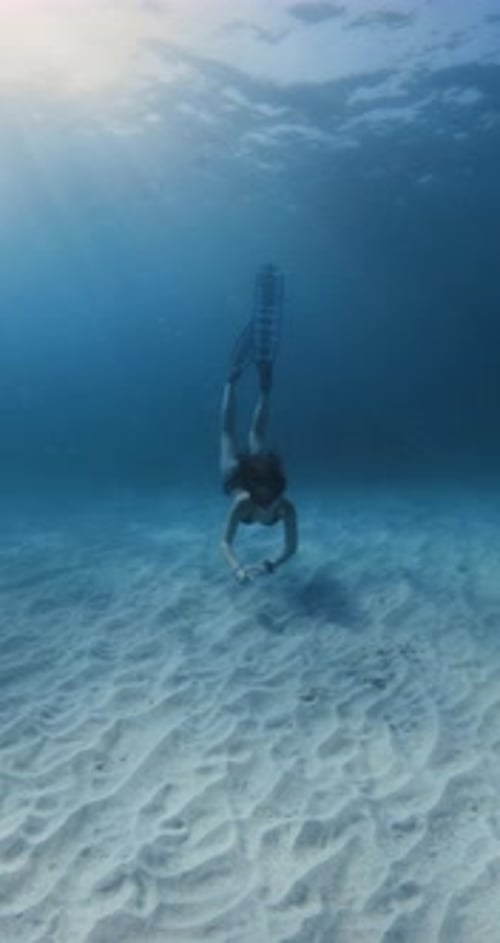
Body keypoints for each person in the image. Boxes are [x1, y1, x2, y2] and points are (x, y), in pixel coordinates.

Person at [220, 264, 298, 583]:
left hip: (245, 476)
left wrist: (269, 565)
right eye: (264, 495)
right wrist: (238, 568)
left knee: (241, 433)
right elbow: (225, 542)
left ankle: (256, 386)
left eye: (271, 495)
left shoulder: (286, 508)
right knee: (239, 433)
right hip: (239, 479)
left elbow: (291, 547)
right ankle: (237, 384)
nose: (268, 501)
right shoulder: (242, 503)